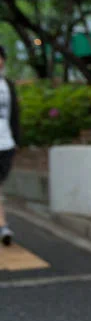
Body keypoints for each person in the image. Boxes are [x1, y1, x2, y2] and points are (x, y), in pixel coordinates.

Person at [0, 45, 20, 246]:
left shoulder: (8, 85)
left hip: (6, 144)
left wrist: (17, 141)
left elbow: (15, 115)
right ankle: (3, 225)